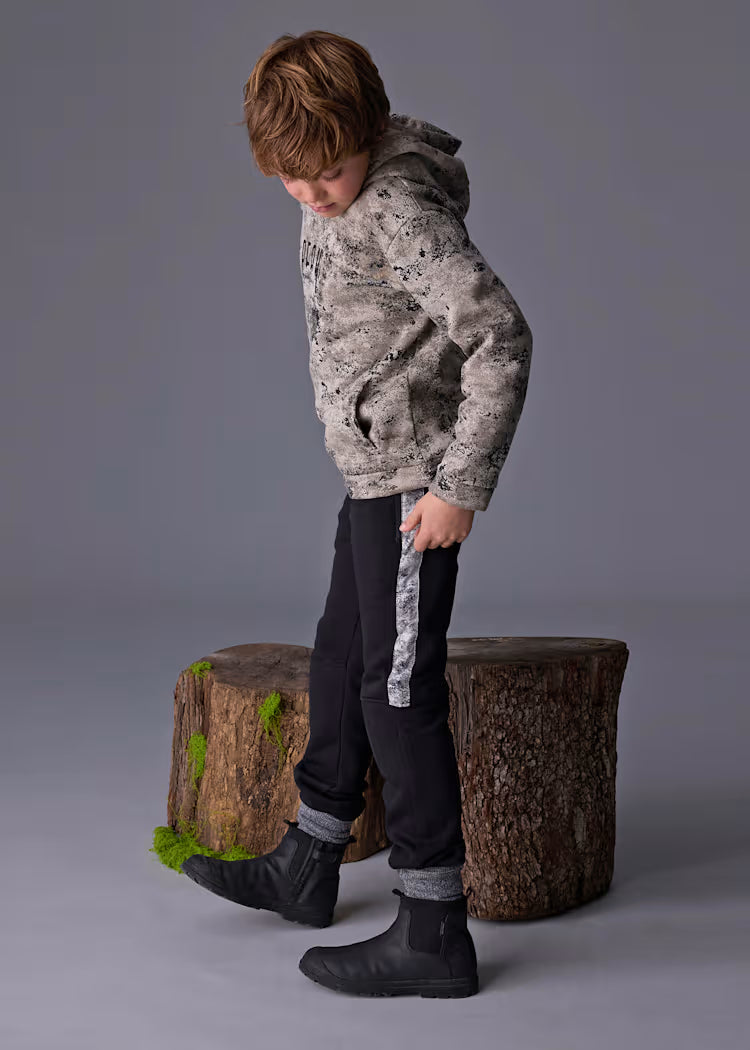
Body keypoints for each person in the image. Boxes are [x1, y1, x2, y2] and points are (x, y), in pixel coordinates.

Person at [181, 29, 533, 999]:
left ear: (366, 136)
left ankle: (432, 926)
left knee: (397, 689)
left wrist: (460, 486)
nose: (312, 194)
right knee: (340, 658)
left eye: (328, 173)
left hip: (418, 485)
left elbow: (501, 335)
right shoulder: (327, 180)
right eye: (290, 180)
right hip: (372, 473)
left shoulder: (397, 207)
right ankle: (311, 856)